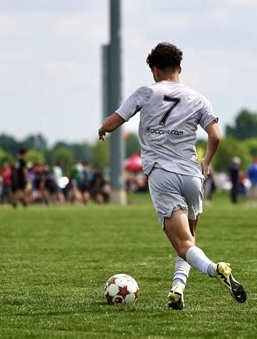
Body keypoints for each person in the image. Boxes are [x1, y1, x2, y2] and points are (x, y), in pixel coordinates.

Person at [98, 42, 246, 310]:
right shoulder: (198, 98)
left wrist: (103, 128)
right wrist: (207, 162)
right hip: (192, 175)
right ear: (180, 68)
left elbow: (115, 120)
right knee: (188, 241)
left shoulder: (146, 92)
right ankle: (177, 288)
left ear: (155, 70)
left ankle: (216, 269)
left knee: (183, 244)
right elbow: (215, 136)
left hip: (162, 174)